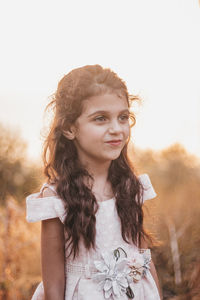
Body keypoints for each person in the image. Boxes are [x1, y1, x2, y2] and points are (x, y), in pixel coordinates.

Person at [26, 64, 163, 300]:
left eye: (123, 117)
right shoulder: (55, 200)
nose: (116, 129)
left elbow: (144, 262)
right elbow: (54, 286)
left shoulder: (132, 187)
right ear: (70, 128)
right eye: (100, 119)